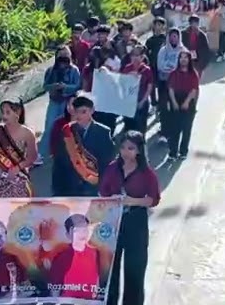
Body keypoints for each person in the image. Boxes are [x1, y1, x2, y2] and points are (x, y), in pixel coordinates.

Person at [99, 131, 161, 305]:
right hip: (113, 220)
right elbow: (103, 192)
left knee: (135, 268)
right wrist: (111, 199)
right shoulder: (112, 168)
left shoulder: (147, 173)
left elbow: (153, 199)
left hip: (136, 222)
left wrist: (132, 200)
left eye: (131, 148)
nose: (126, 152)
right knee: (111, 267)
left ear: (139, 150)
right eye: (123, 147)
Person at [50, 94, 114, 197]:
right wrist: (57, 189)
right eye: (77, 112)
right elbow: (59, 162)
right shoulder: (67, 131)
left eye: (83, 112)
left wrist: (105, 188)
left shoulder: (103, 132)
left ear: (92, 110)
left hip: (93, 187)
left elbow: (107, 163)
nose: (79, 116)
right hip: (70, 187)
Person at [0, 99, 37, 198]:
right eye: (3, 112)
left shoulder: (28, 133)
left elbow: (32, 157)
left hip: (19, 177)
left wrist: (17, 168)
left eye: (8, 112)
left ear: (18, 112)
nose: (4, 116)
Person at [45, 214, 102, 300]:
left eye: (84, 229)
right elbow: (54, 287)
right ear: (68, 234)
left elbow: (97, 280)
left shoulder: (95, 253)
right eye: (77, 230)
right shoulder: (62, 257)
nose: (82, 233)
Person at [39, 51, 81, 164]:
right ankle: (41, 154)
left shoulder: (74, 70)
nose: (63, 58)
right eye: (60, 55)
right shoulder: (50, 71)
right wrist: (54, 86)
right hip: (54, 102)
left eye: (65, 55)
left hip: (68, 102)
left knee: (68, 128)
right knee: (49, 127)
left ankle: (69, 152)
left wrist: (65, 87)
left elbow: (77, 86)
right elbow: (45, 86)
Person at [167, 51, 200, 158]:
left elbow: (194, 90)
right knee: (174, 128)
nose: (183, 60)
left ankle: (183, 151)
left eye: (186, 57)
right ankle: (173, 152)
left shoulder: (193, 74)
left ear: (189, 60)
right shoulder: (173, 73)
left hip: (188, 102)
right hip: (176, 99)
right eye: (181, 57)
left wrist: (187, 102)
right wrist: (174, 102)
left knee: (186, 128)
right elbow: (171, 89)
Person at [119, 48, 154, 134]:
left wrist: (142, 101)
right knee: (129, 127)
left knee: (140, 128)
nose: (134, 57)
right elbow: (121, 84)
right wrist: (129, 76)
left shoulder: (147, 70)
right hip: (129, 102)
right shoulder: (127, 68)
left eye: (137, 55)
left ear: (142, 57)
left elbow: (149, 87)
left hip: (141, 101)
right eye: (133, 55)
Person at [154, 28, 182, 123]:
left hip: (177, 82)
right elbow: (160, 65)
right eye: (171, 36)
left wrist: (171, 67)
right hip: (164, 81)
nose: (173, 38)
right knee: (163, 103)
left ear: (178, 37)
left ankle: (175, 122)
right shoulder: (163, 50)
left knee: (175, 102)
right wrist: (169, 67)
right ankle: (164, 123)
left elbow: (181, 65)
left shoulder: (182, 50)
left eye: (175, 36)